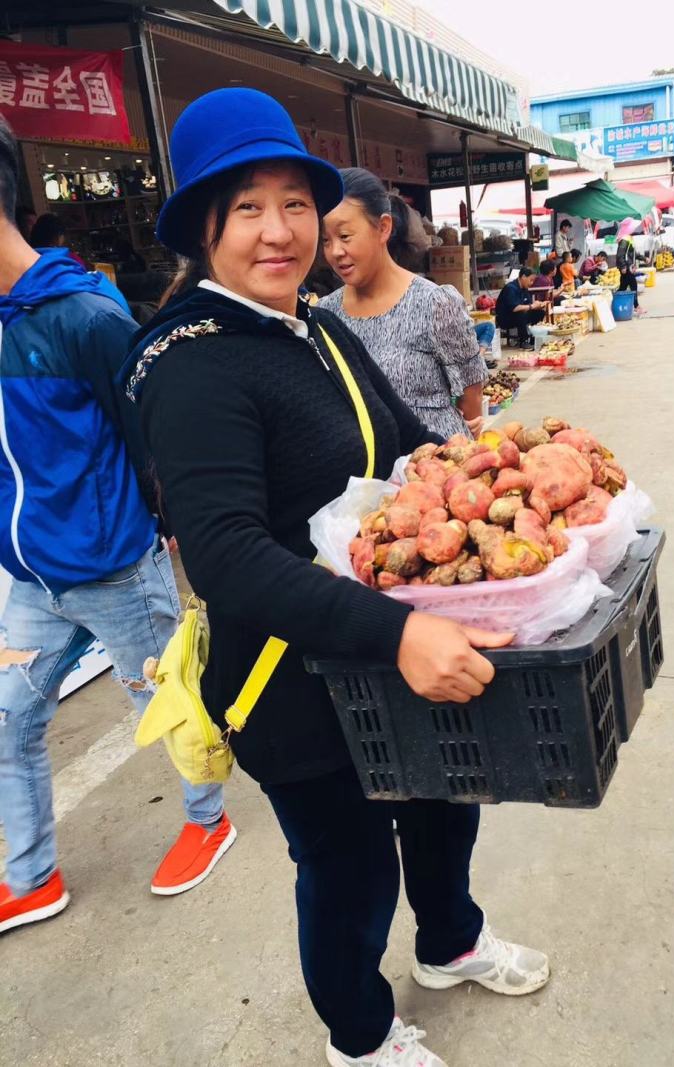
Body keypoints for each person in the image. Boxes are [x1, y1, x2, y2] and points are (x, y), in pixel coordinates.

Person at [124, 88, 550, 1067]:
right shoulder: (190, 365)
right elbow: (226, 556)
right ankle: (358, 1035)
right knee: (348, 863)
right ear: (201, 224)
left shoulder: (312, 327)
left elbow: (403, 445)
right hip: (289, 681)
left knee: (449, 796)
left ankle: (447, 942)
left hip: (384, 642)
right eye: (246, 207)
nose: (278, 231)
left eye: (295, 203)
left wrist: (505, 481)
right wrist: (402, 632)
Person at [0, 115, 234, 936]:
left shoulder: (84, 318)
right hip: (30, 579)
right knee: (9, 722)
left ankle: (209, 819)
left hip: (113, 569)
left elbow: (152, 429)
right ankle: (29, 875)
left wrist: (168, 524)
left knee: (171, 705)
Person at [320, 168, 486, 439]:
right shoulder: (326, 314)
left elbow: (471, 394)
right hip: (366, 474)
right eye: (326, 240)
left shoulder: (434, 303)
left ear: (383, 227)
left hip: (435, 466)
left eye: (345, 236)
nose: (335, 251)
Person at [494, 266, 548, 346]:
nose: (532, 283)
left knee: (540, 313)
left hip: (517, 315)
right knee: (520, 313)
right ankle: (524, 341)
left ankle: (534, 337)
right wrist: (532, 306)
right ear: (523, 277)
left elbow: (528, 304)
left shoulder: (524, 289)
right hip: (505, 318)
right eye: (531, 280)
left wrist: (538, 305)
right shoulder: (510, 288)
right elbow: (514, 308)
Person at [616, 219, 644, 316]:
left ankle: (614, 302)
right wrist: (623, 266)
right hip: (626, 268)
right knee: (633, 285)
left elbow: (633, 253)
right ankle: (636, 307)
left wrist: (644, 258)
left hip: (628, 267)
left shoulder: (628, 238)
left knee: (623, 287)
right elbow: (620, 254)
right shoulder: (624, 240)